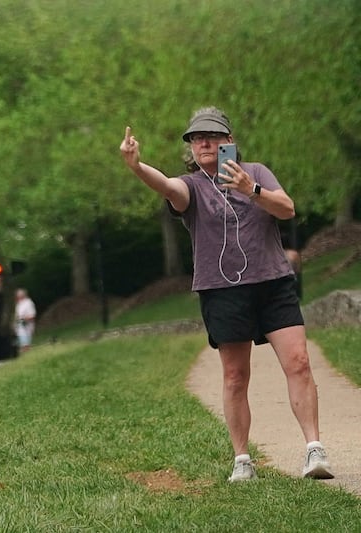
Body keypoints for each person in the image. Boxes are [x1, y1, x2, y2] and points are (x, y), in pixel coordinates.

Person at [119, 106, 333, 483]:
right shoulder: (193, 187)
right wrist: (137, 167)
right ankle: (242, 459)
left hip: (272, 282)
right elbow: (168, 187)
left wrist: (251, 190)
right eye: (196, 138)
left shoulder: (257, 173)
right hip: (222, 290)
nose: (204, 143)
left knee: (298, 361)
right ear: (191, 147)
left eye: (213, 137)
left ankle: (314, 449)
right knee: (235, 375)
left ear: (228, 142)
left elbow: (287, 209)